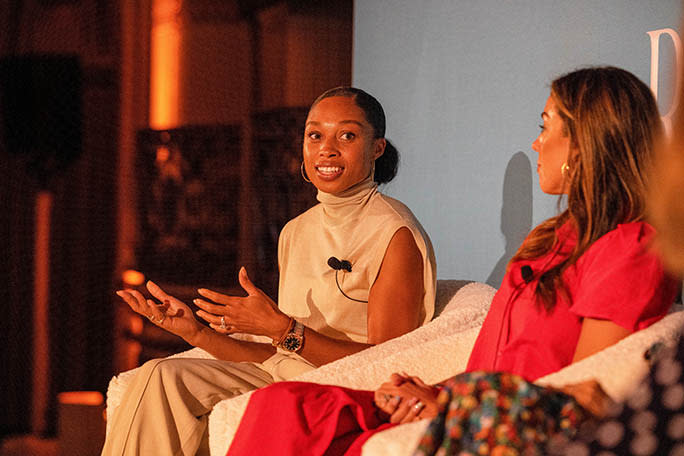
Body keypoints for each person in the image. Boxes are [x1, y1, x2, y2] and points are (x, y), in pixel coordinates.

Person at [226, 67, 679, 456]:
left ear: (585, 142)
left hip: (504, 415)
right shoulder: (550, 240)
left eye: (546, 127)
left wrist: (452, 403)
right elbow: (492, 358)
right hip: (462, 395)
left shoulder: (631, 247)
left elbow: (585, 385)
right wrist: (429, 389)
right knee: (283, 405)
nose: (537, 145)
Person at [101, 87, 437, 455]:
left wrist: (285, 329)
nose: (327, 148)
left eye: (347, 135)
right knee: (158, 375)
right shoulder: (297, 230)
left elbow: (386, 362)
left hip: (341, 388)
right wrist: (195, 332)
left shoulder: (394, 233)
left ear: (377, 149)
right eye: (315, 135)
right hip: (285, 377)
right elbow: (280, 359)